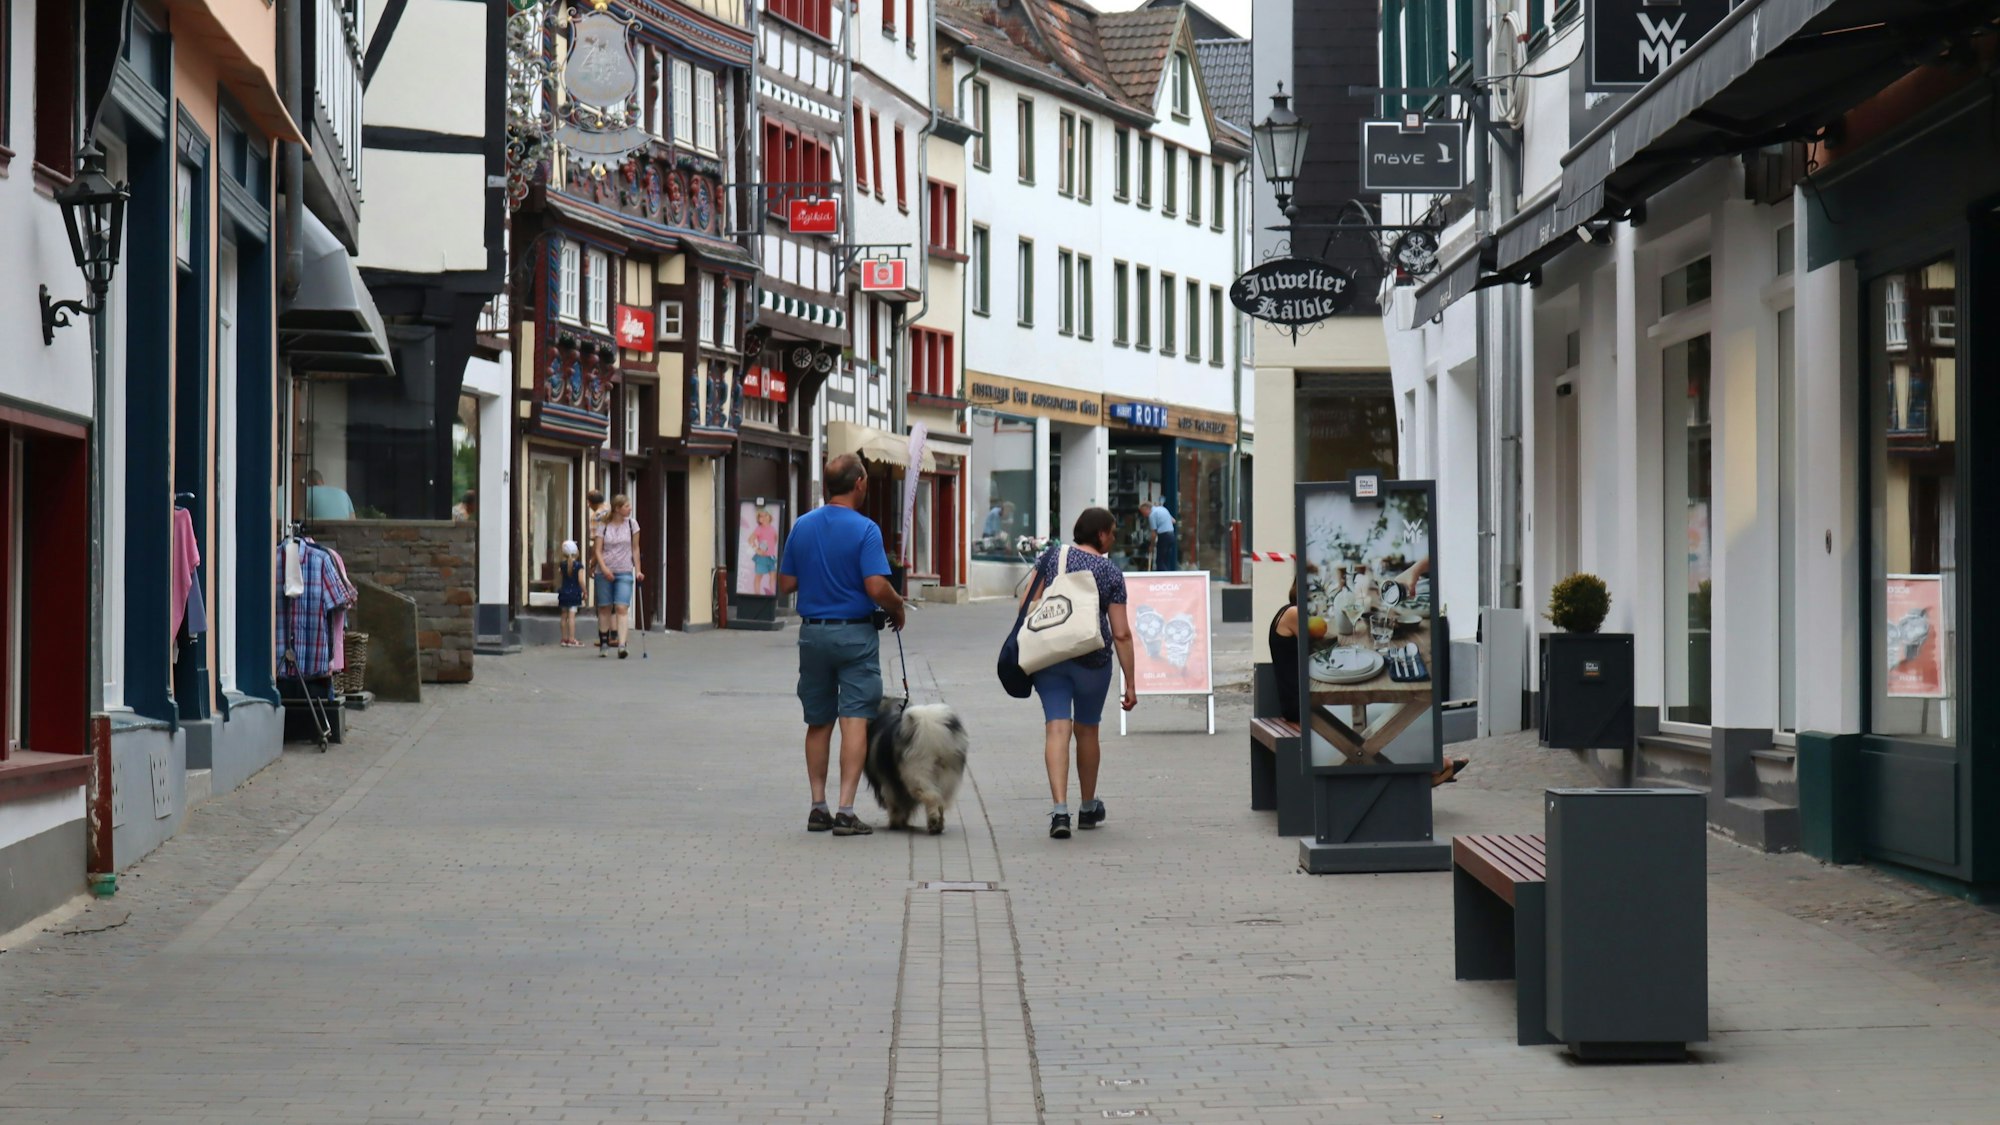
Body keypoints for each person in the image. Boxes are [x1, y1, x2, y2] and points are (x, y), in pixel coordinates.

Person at [778, 453, 907, 837]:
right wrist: (897, 604)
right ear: (859, 483)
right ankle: (846, 811)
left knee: (818, 722)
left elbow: (785, 584)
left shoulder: (802, 526)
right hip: (854, 635)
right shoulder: (866, 530)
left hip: (813, 634)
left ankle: (818, 806)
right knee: (855, 720)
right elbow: (875, 586)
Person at [1271, 576, 1468, 786]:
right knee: (1378, 718)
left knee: (1376, 721)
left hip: (1299, 697)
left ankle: (1428, 768)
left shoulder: (1290, 612)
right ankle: (1425, 773)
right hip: (1298, 705)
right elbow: (1323, 638)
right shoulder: (1293, 613)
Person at [1021, 507, 1136, 839]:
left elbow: (1025, 607)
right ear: (1100, 534)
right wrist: (1131, 682)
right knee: (1087, 731)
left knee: (1056, 729)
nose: (1114, 538)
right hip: (1092, 659)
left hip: (1049, 657)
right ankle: (1087, 807)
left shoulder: (1051, 558)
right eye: (1112, 532)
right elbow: (1122, 632)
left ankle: (1060, 812)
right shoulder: (1110, 572)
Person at [591, 495, 644, 659]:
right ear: (617, 509)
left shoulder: (632, 525)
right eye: (627, 506)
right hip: (604, 572)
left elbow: (635, 548)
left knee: (622, 607)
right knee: (605, 607)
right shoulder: (603, 526)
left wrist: (638, 571)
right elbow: (598, 550)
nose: (630, 508)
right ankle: (604, 643)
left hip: (624, 571)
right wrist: (604, 569)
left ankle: (622, 645)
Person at [586, 490, 611, 648]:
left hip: (603, 559)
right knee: (617, 604)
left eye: (588, 502)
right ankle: (616, 635)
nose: (588, 505)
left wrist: (592, 562)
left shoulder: (597, 515)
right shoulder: (610, 509)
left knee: (604, 602)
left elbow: (597, 541)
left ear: (592, 503)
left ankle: (604, 638)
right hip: (617, 558)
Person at [556, 540, 586, 647]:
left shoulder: (562, 565)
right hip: (574, 594)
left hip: (564, 593)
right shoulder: (579, 566)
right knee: (572, 617)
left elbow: (560, 577)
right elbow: (581, 580)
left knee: (563, 616)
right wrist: (585, 591)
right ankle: (572, 639)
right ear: (576, 552)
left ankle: (564, 639)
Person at [1140, 500, 1177, 570]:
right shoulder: (1163, 509)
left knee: (1160, 561)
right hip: (1171, 535)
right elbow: (1173, 520)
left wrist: (1151, 546)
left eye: (1143, 512)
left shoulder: (1152, 515)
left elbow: (1154, 533)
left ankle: (1163, 579)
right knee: (1166, 560)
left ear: (1147, 509)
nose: (1144, 515)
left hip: (1163, 536)